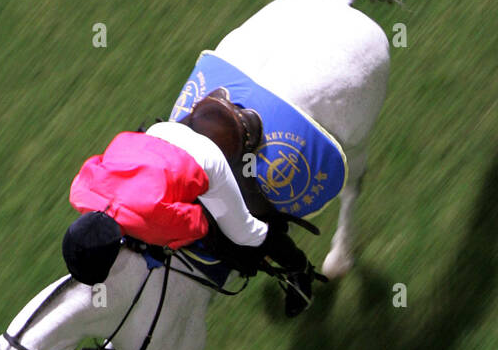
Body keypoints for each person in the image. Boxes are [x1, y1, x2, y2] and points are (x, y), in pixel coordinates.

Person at [61, 94, 318, 317]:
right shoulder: (80, 193)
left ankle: (300, 268)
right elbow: (97, 163)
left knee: (245, 234)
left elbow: (197, 223)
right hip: (158, 135)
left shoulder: (151, 224)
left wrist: (157, 236)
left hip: (203, 158)